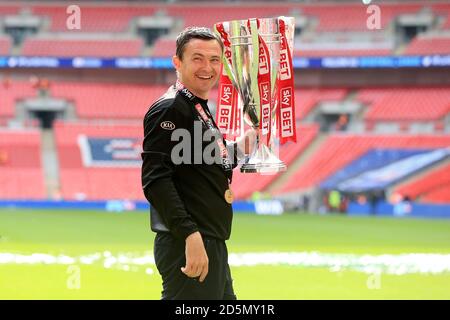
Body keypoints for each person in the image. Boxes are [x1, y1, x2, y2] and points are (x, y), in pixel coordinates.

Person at [141, 27, 256, 300]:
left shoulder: (197, 107)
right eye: (198, 58)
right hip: (190, 241)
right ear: (177, 62)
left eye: (215, 59)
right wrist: (190, 236)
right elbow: (156, 180)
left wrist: (242, 147)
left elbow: (204, 165)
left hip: (209, 240)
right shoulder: (170, 108)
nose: (208, 67)